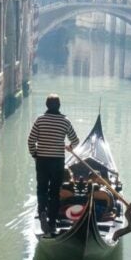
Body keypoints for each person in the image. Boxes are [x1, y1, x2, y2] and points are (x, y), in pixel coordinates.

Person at [27, 93, 79, 236]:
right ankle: (52, 222)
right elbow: (75, 140)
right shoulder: (65, 121)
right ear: (59, 106)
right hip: (57, 161)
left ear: (47, 106)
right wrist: (69, 147)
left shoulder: (40, 120)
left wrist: (34, 154)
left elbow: (31, 141)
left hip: (42, 160)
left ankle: (42, 211)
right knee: (54, 192)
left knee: (42, 188)